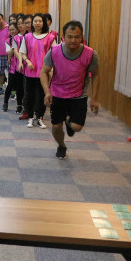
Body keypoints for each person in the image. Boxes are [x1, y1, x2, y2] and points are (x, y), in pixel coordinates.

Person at [41, 21, 99, 159]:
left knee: (76, 127)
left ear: (82, 37)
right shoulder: (54, 51)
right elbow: (43, 72)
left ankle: (69, 123)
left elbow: (96, 75)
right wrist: (47, 92)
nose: (73, 40)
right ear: (63, 37)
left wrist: (95, 98)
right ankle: (61, 146)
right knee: (56, 126)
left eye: (77, 37)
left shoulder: (90, 54)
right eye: (70, 36)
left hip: (78, 95)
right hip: (57, 94)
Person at [17, 13, 57, 129]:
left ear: (44, 23)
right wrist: (27, 61)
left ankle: (39, 118)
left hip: (44, 73)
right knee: (29, 95)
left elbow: (55, 54)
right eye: (35, 21)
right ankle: (30, 117)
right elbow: (22, 52)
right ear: (32, 23)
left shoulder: (50, 37)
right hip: (30, 71)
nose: (37, 23)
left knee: (42, 95)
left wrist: (52, 69)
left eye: (40, 21)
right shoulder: (27, 37)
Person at [3, 23, 24, 112]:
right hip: (13, 66)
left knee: (20, 87)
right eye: (10, 30)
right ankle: (5, 102)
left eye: (13, 29)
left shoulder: (23, 38)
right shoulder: (8, 41)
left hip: (22, 66)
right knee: (10, 85)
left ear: (17, 29)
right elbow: (9, 53)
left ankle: (19, 105)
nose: (11, 31)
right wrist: (14, 45)